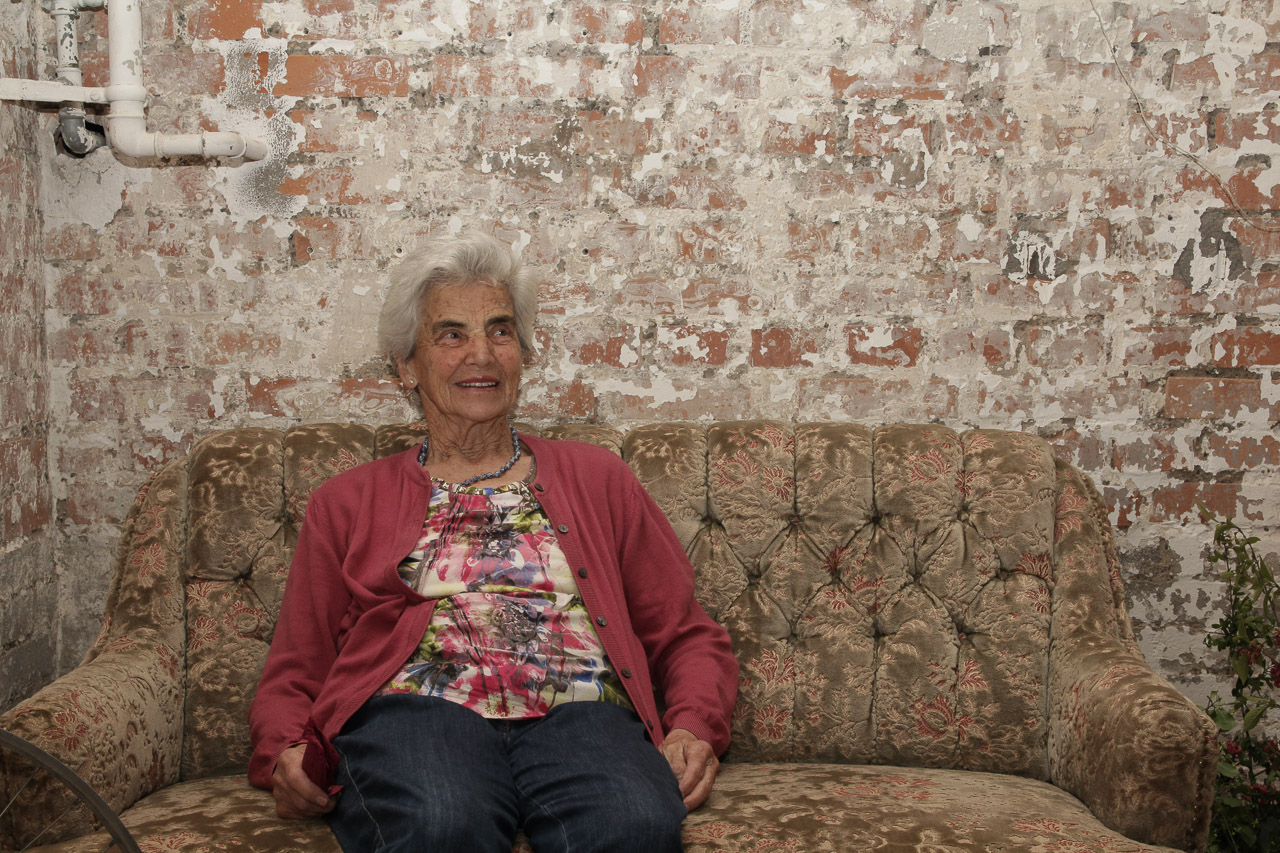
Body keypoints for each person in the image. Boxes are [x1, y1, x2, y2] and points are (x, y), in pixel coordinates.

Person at [247, 231, 738, 853]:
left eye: (500, 331)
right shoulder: (346, 500)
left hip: (581, 711)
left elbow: (685, 632)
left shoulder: (599, 478)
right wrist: (285, 747)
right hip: (416, 711)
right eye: (451, 335)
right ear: (406, 366)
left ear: (523, 354)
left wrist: (693, 725)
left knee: (634, 823)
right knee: (441, 822)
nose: (480, 353)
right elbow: (297, 662)